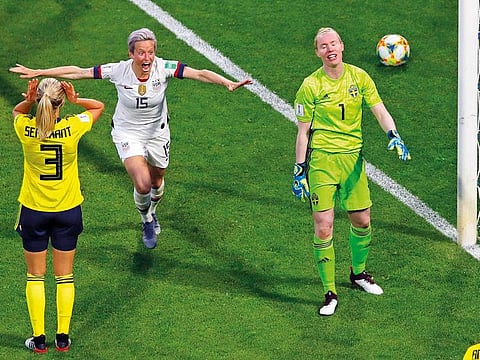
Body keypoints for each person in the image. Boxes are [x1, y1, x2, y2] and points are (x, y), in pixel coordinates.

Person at [10, 28, 252, 249]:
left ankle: (152, 211)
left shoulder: (164, 68)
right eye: (141, 53)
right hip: (127, 133)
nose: (146, 59)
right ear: (131, 53)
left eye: (150, 52)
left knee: (157, 183)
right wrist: (41, 72)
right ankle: (146, 219)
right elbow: (79, 71)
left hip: (157, 133)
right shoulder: (119, 70)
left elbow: (199, 73)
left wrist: (226, 83)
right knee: (143, 182)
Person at [292, 27, 411, 316]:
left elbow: (379, 109)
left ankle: (358, 274)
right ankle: (329, 293)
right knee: (323, 227)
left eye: (333, 43)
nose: (330, 49)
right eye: (323, 46)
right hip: (322, 163)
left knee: (362, 220)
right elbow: (303, 132)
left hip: (353, 162)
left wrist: (393, 134)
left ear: (342, 46)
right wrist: (299, 170)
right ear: (318, 52)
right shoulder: (310, 86)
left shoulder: (360, 77)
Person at [12, 78, 104, 352]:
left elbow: (17, 112)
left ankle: (39, 340)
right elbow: (98, 106)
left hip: (34, 211)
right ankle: (62, 337)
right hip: (67, 211)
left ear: (38, 100)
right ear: (60, 103)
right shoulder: (72, 128)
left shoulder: (25, 129)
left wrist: (29, 99)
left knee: (35, 276)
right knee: (65, 277)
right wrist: (76, 100)